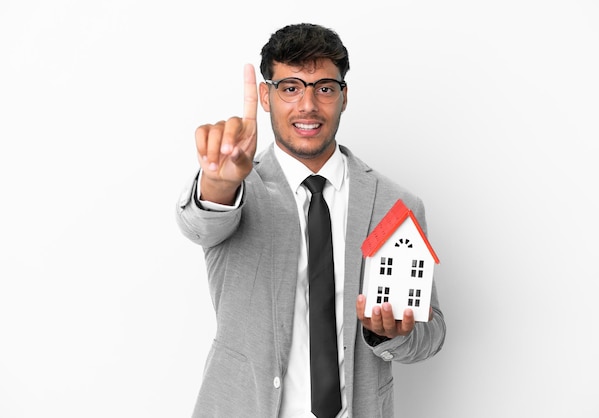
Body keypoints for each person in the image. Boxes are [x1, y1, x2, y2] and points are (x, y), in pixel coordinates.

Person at [176, 23, 446, 418]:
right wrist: (218, 183)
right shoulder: (238, 189)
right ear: (266, 97)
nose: (307, 106)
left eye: (323, 88)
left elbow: (431, 332)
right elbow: (201, 225)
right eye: (290, 87)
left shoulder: (396, 203)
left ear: (343, 97)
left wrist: (391, 334)